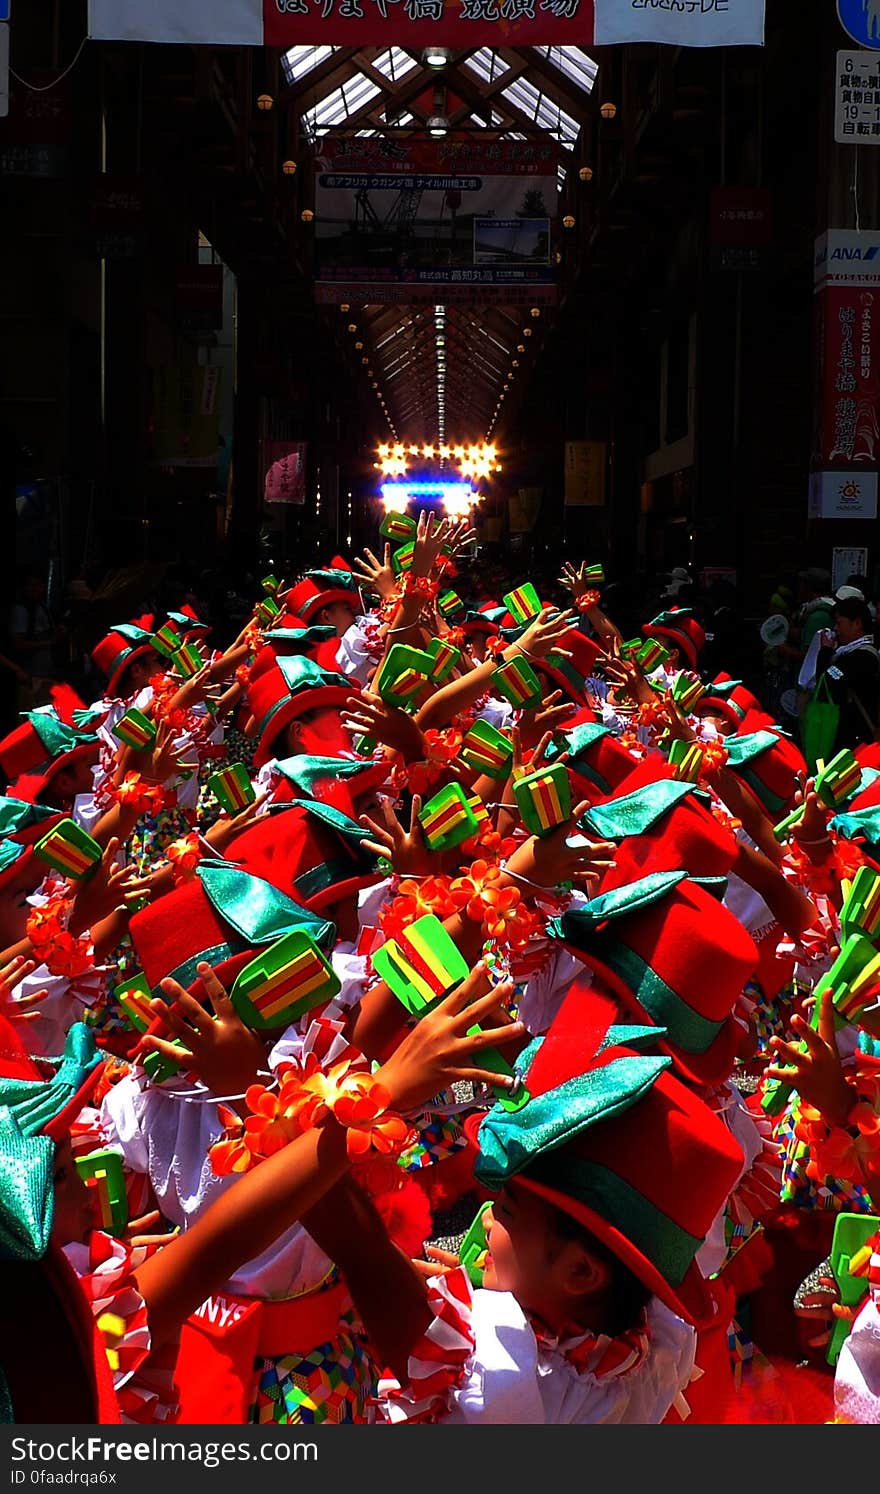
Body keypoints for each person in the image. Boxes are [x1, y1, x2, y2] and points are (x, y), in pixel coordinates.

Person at [809, 596, 880, 752]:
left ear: (857, 624)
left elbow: (825, 683)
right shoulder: (846, 653)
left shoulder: (864, 657)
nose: (835, 629)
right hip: (846, 736)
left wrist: (825, 651)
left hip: (856, 741)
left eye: (839, 623)